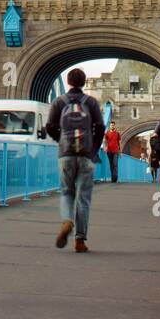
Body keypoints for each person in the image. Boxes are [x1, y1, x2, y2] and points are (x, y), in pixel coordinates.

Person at [46, 69, 104, 253]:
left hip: (66, 154)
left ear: (69, 82)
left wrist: (60, 139)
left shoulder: (59, 102)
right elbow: (101, 128)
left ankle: (67, 221)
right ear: (84, 82)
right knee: (83, 198)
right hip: (86, 155)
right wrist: (94, 150)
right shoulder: (91, 102)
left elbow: (49, 126)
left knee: (66, 192)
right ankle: (80, 240)